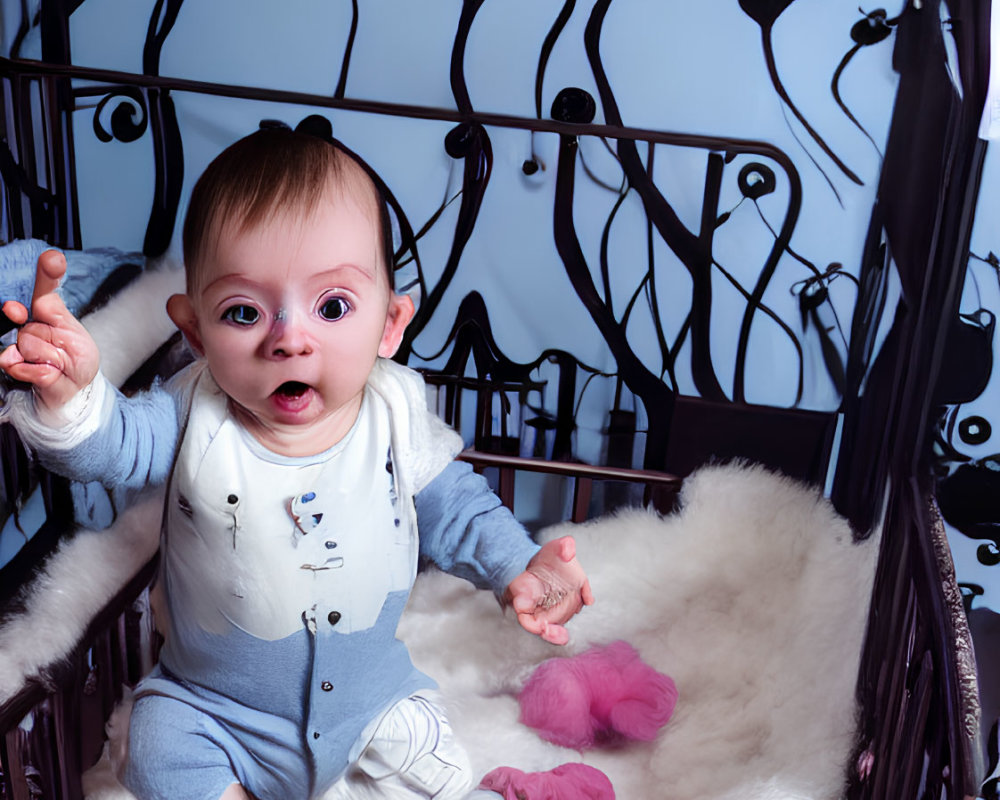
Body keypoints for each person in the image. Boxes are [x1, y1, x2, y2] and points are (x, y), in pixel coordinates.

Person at [0, 126, 594, 800]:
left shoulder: (394, 415)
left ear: (389, 325)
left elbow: (458, 506)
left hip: (368, 706)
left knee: (438, 766)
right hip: (214, 710)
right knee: (157, 750)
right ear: (194, 333)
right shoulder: (193, 415)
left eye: (332, 306)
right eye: (244, 311)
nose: (288, 338)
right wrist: (72, 396)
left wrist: (519, 566)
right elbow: (111, 447)